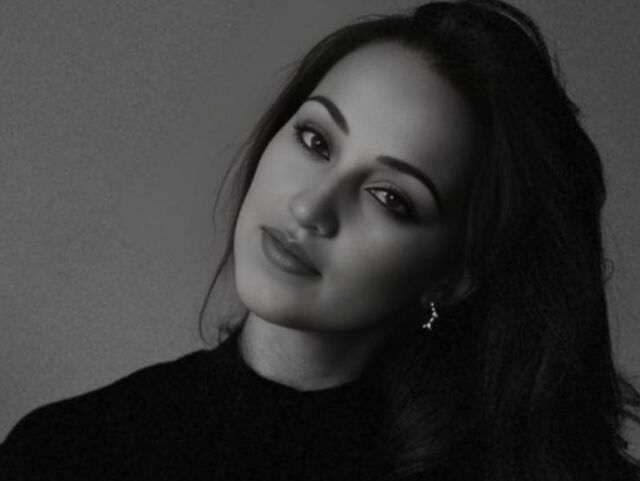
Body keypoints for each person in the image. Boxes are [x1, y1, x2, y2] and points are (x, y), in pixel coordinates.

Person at [1, 0, 639, 479]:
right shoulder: (69, 452)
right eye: (315, 141)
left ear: (452, 278)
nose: (310, 207)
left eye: (390, 197)